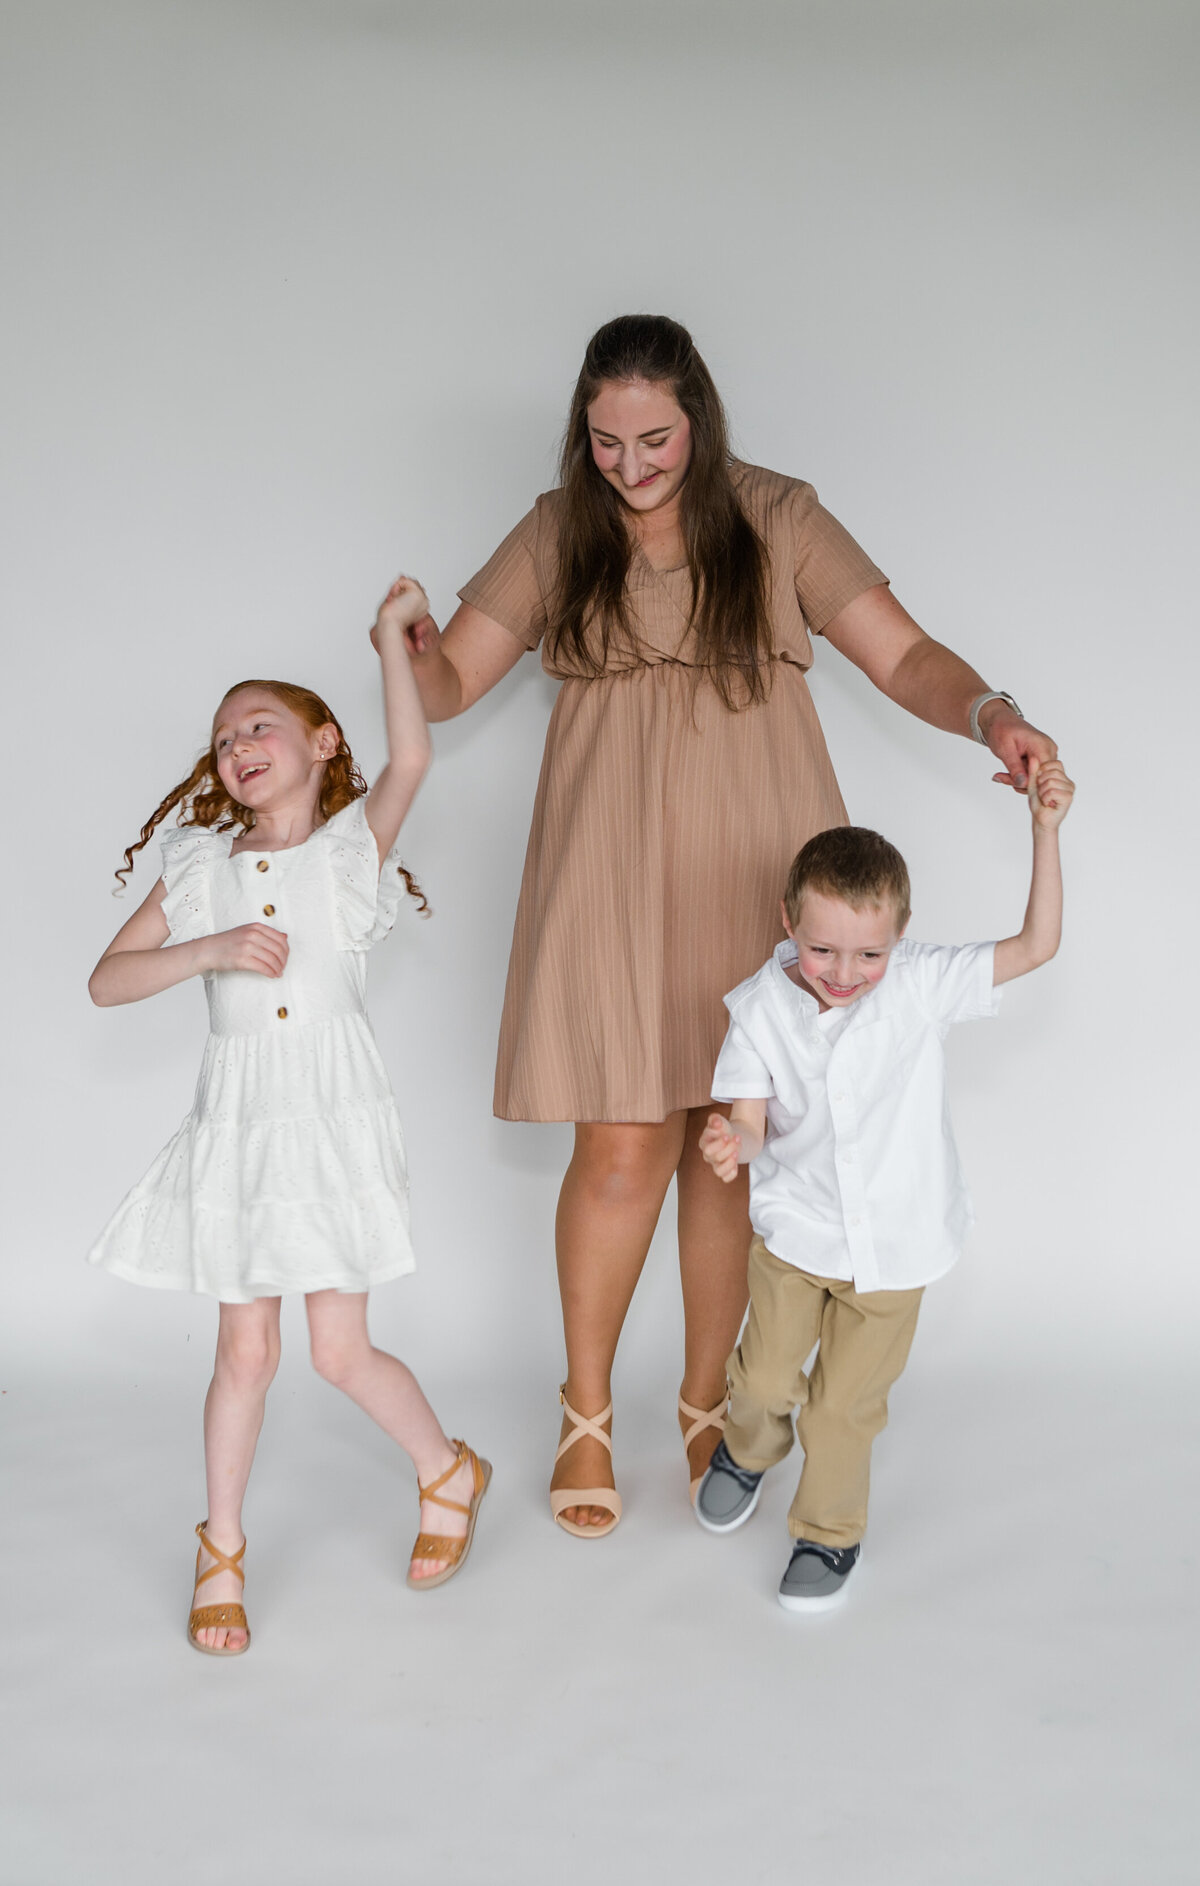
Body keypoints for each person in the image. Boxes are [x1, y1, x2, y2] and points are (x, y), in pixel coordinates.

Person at [402, 312, 1059, 1537]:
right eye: (606, 442)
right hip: (609, 862)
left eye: (655, 439)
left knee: (735, 1137)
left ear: (698, 416)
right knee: (618, 1142)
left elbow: (904, 655)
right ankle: (586, 1406)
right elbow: (447, 688)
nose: (631, 465)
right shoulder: (557, 528)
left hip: (763, 854)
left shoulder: (779, 515)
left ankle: (709, 1395)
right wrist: (414, 650)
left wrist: (991, 712)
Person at [87, 578, 490, 1655]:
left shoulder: (350, 855)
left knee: (341, 1351)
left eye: (259, 725)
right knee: (245, 1352)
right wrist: (208, 949)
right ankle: (221, 1546)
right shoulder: (198, 866)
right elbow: (107, 981)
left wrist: (391, 640)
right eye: (223, 739)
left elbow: (413, 757)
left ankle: (447, 1469)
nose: (237, 746)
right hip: (239, 1126)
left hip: (329, 1118)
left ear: (322, 742)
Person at [695, 760, 1074, 1608]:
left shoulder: (920, 985)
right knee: (762, 1383)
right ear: (788, 920)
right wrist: (732, 1141)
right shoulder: (758, 1009)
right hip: (798, 1235)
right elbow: (751, 1121)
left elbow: (1035, 946)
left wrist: (1044, 833)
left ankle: (829, 1533)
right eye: (822, 949)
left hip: (896, 1247)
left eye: (870, 953)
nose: (843, 971)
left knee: (842, 1410)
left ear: (901, 936)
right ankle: (747, 1452)